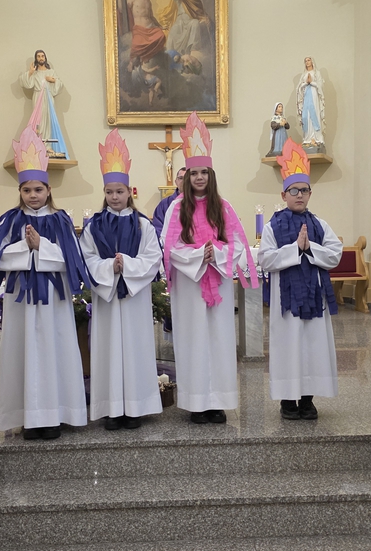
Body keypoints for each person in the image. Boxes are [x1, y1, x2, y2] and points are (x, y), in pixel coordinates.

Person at [0, 124, 90, 440]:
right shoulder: (10, 220)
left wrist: (42, 246)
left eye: (38, 190)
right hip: (21, 299)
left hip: (54, 300)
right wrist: (25, 248)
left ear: (48, 190)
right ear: (20, 191)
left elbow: (73, 260)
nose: (33, 195)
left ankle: (55, 415)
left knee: (55, 351)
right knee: (23, 353)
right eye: (27, 190)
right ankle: (29, 417)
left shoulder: (60, 220)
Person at [161, 112, 257, 423]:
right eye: (194, 173)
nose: (199, 178)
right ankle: (196, 403)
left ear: (211, 175)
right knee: (193, 339)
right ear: (186, 177)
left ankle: (217, 402)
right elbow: (169, 245)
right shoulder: (176, 208)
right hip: (190, 285)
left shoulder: (223, 206)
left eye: (204, 172)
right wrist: (196, 257)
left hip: (217, 281)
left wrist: (214, 253)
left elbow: (237, 242)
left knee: (219, 339)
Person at [80, 130, 163, 430]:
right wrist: (109, 268)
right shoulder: (93, 226)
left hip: (134, 299)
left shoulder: (143, 225)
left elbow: (153, 257)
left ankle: (135, 408)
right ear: (104, 193)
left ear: (130, 192)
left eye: (119, 191)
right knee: (108, 351)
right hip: (107, 297)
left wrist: (125, 264)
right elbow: (86, 257)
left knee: (135, 348)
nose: (114, 197)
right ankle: (112, 409)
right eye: (109, 192)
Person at [258, 139, 341, 420]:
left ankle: (307, 399)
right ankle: (287, 401)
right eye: (294, 191)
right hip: (286, 301)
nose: (299, 195)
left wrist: (310, 248)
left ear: (310, 193)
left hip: (315, 299)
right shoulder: (272, 226)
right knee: (288, 346)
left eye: (304, 190)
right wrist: (295, 249)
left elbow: (334, 254)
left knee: (312, 346)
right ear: (284, 194)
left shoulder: (320, 224)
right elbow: (266, 259)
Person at [18, 49, 69, 159]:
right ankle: (39, 145)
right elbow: (25, 83)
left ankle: (48, 146)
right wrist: (30, 72)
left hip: (48, 98)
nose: (41, 58)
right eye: (39, 56)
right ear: (36, 59)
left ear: (45, 58)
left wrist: (53, 80)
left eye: (42, 56)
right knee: (39, 121)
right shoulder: (35, 73)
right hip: (38, 98)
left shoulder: (51, 72)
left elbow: (60, 84)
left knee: (48, 122)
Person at [296, 56, 326, 153]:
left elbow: (320, 85)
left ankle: (316, 138)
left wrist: (312, 82)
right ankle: (307, 139)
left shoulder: (317, 73)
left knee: (314, 114)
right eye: (305, 61)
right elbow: (299, 87)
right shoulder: (304, 74)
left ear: (312, 61)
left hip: (314, 96)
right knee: (306, 116)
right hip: (306, 96)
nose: (307, 62)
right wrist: (305, 83)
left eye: (309, 60)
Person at [152, 166, 187, 236]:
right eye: (181, 178)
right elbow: (158, 228)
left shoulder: (198, 202)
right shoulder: (164, 204)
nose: (184, 181)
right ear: (176, 181)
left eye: (187, 178)